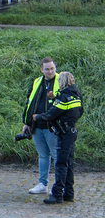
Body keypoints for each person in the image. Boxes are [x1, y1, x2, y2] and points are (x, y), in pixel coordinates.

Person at [33, 71, 83, 204]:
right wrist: (55, 98)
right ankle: (69, 193)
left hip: (64, 133)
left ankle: (57, 194)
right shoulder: (76, 94)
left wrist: (37, 117)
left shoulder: (64, 97)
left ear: (62, 82)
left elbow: (51, 114)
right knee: (69, 163)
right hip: (72, 130)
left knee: (61, 163)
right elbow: (79, 111)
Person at [22, 57, 59, 195]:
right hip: (37, 125)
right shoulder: (37, 82)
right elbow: (29, 102)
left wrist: (54, 97)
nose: (50, 71)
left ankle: (59, 185)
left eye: (52, 68)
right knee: (43, 155)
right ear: (41, 69)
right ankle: (43, 184)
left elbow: (67, 100)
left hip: (53, 125)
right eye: (47, 69)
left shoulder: (61, 81)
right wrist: (26, 122)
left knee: (56, 155)